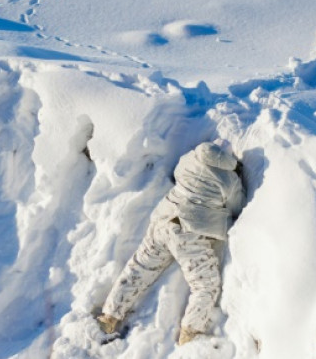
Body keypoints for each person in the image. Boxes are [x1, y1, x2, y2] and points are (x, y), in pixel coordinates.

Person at [97, 140, 244, 345]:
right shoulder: (230, 179)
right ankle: (190, 333)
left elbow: (177, 174)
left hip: (164, 219)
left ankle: (109, 316)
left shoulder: (189, 159)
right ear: (229, 160)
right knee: (204, 285)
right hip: (191, 231)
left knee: (139, 268)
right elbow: (238, 205)